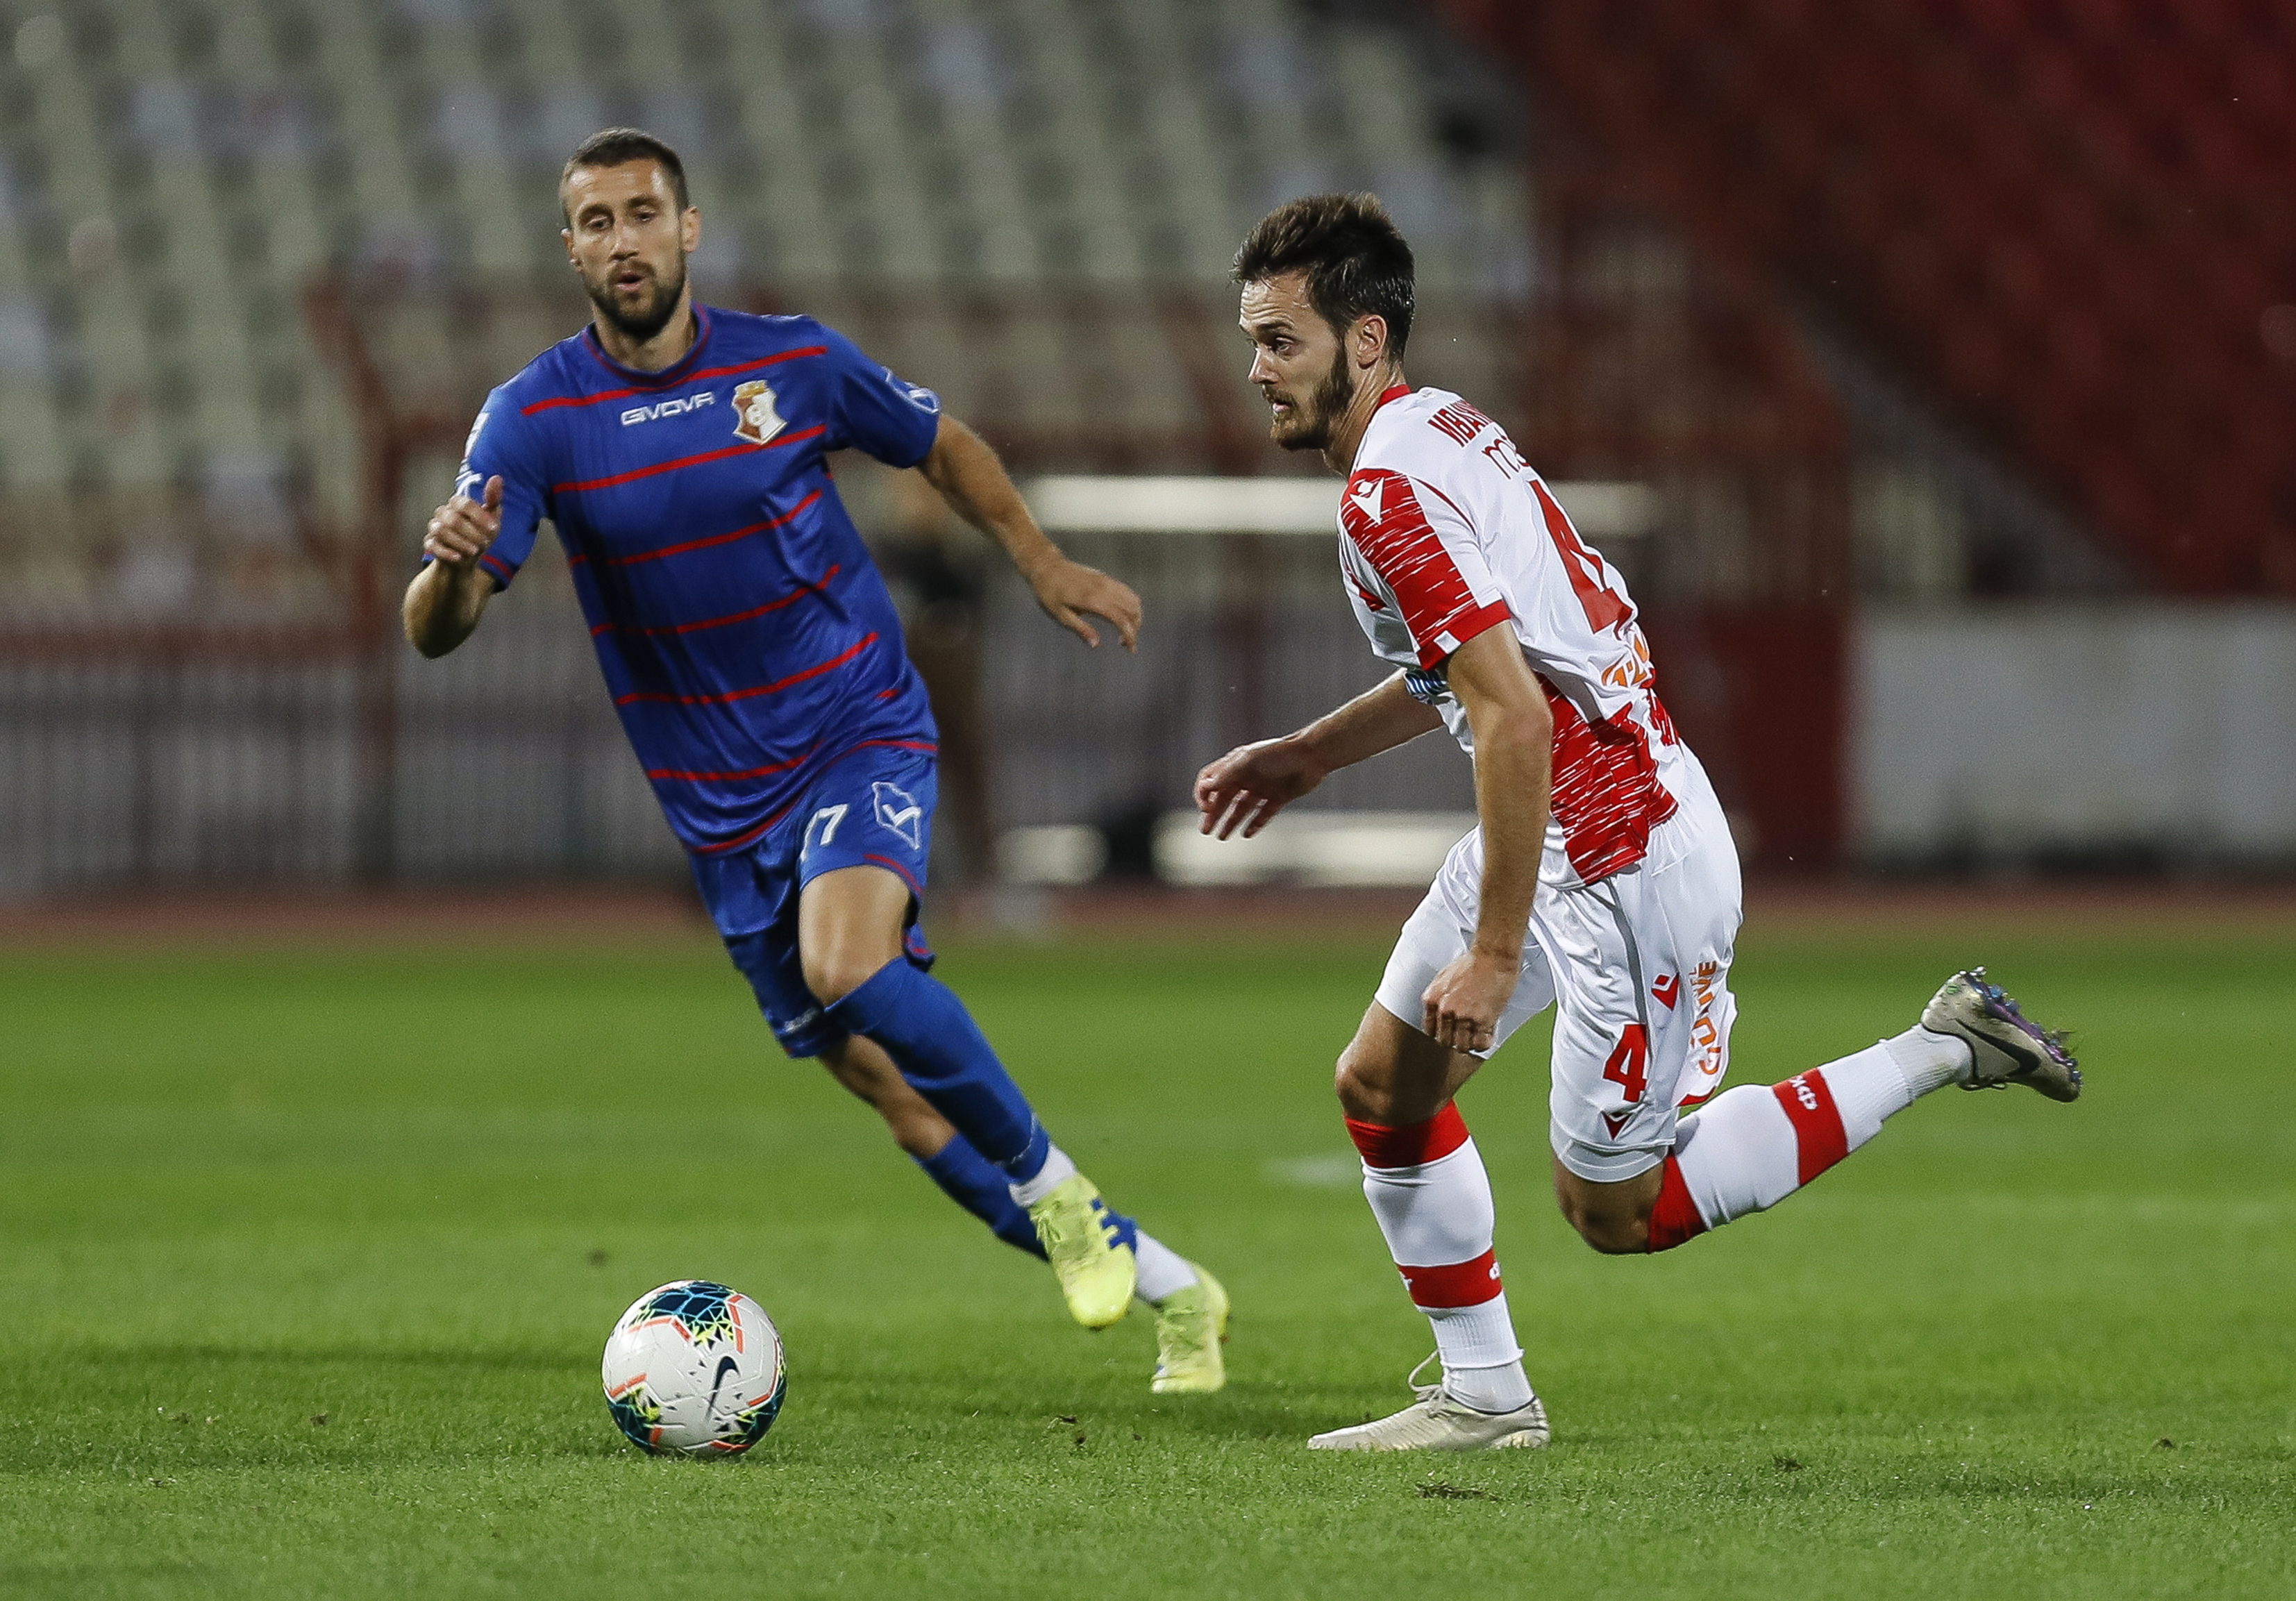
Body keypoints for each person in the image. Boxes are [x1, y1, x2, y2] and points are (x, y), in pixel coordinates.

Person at [1195, 194, 2077, 1450]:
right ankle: (1486, 1397)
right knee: (1383, 1086)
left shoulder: (1387, 495)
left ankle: (1945, 1044)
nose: (1257, 369)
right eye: (1255, 338)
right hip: (1563, 820)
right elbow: (1492, 673)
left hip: (1622, 856)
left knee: (1618, 1209)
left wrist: (1495, 955)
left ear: (1369, 340)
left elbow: (1515, 721)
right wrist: (1306, 755)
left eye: (1282, 340)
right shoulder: (1444, 431)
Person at [405, 128, 1227, 1394]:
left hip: (856, 724)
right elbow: (436, 633)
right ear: (569, 246)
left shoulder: (790, 361)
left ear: (689, 228)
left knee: (847, 963)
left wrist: (1040, 558)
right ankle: (1178, 1289)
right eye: (596, 220)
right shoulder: (533, 419)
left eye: (643, 212)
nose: (623, 238)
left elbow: (939, 442)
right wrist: (453, 564)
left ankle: (1060, 1195)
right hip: (721, 814)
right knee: (903, 1103)